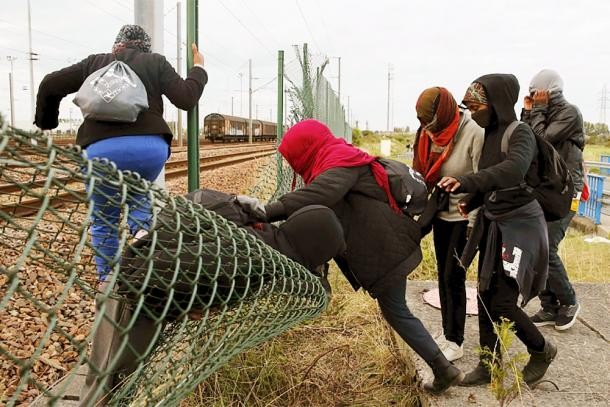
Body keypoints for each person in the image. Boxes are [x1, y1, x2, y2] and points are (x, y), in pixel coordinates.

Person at [241, 119, 464, 394]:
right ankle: (443, 367)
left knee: (397, 311)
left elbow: (320, 194)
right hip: (381, 244)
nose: (292, 164)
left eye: (293, 157)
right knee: (396, 311)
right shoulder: (333, 158)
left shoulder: (340, 163)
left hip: (384, 249)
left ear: (306, 148)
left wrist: (267, 210)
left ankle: (443, 367)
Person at [79, 188, 346, 406]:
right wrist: (186, 305)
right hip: (133, 298)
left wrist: (196, 302)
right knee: (109, 388)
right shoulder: (252, 258)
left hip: (143, 297)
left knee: (119, 385)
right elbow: (156, 270)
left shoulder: (267, 239)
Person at [34, 24, 208, 281]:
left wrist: (47, 122)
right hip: (148, 150)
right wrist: (199, 69)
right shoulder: (155, 62)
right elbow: (186, 98)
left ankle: (109, 285)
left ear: (117, 45)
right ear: (145, 47)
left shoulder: (95, 63)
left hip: (101, 151)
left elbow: (50, 84)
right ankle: (144, 272)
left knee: (104, 217)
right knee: (140, 203)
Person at [438, 74, 556, 386]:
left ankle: (542, 350)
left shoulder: (521, 134)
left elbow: (512, 170)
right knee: (486, 294)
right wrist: (473, 200)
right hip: (495, 221)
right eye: (469, 107)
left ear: (497, 103)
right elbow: (492, 177)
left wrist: (467, 182)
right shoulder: (489, 134)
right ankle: (489, 364)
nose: (473, 112)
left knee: (503, 301)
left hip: (519, 226)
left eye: (477, 106)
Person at [412, 87, 484, 362]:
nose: (428, 131)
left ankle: (456, 340)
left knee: (455, 278)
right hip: (440, 214)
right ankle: (447, 331)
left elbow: (482, 180)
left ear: (444, 115)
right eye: (423, 125)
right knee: (443, 276)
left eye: (431, 125)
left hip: (464, 218)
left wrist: (473, 224)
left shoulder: (473, 132)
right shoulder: (426, 133)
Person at [521, 69, 584, 330]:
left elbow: (542, 140)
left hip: (568, 192)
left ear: (550, 93)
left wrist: (537, 110)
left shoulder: (570, 112)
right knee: (536, 247)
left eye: (538, 94)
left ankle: (569, 301)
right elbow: (525, 140)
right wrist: (527, 112)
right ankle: (550, 305)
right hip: (547, 189)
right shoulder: (541, 112)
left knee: (548, 248)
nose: (535, 98)